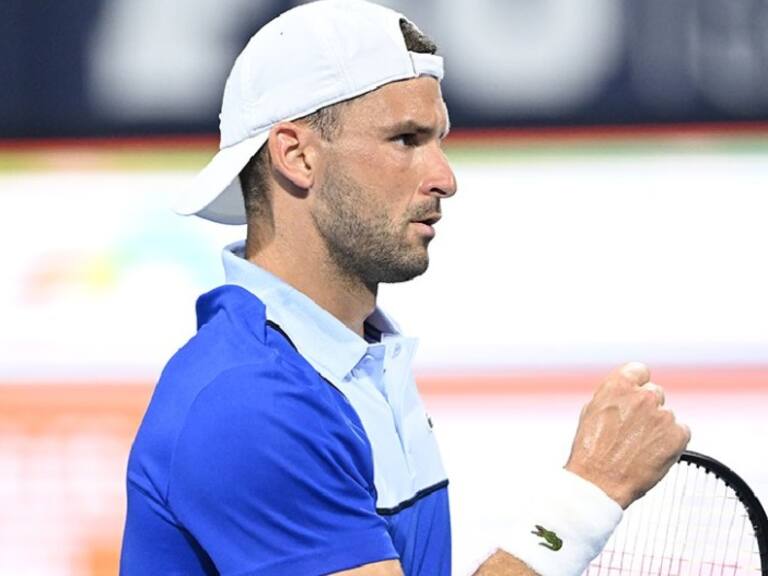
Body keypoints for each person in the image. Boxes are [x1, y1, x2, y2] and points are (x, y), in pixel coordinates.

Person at [120, 1, 691, 574]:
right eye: (405, 140)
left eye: (439, 140)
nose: (445, 178)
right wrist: (587, 496)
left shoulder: (350, 366)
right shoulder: (247, 402)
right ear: (296, 156)